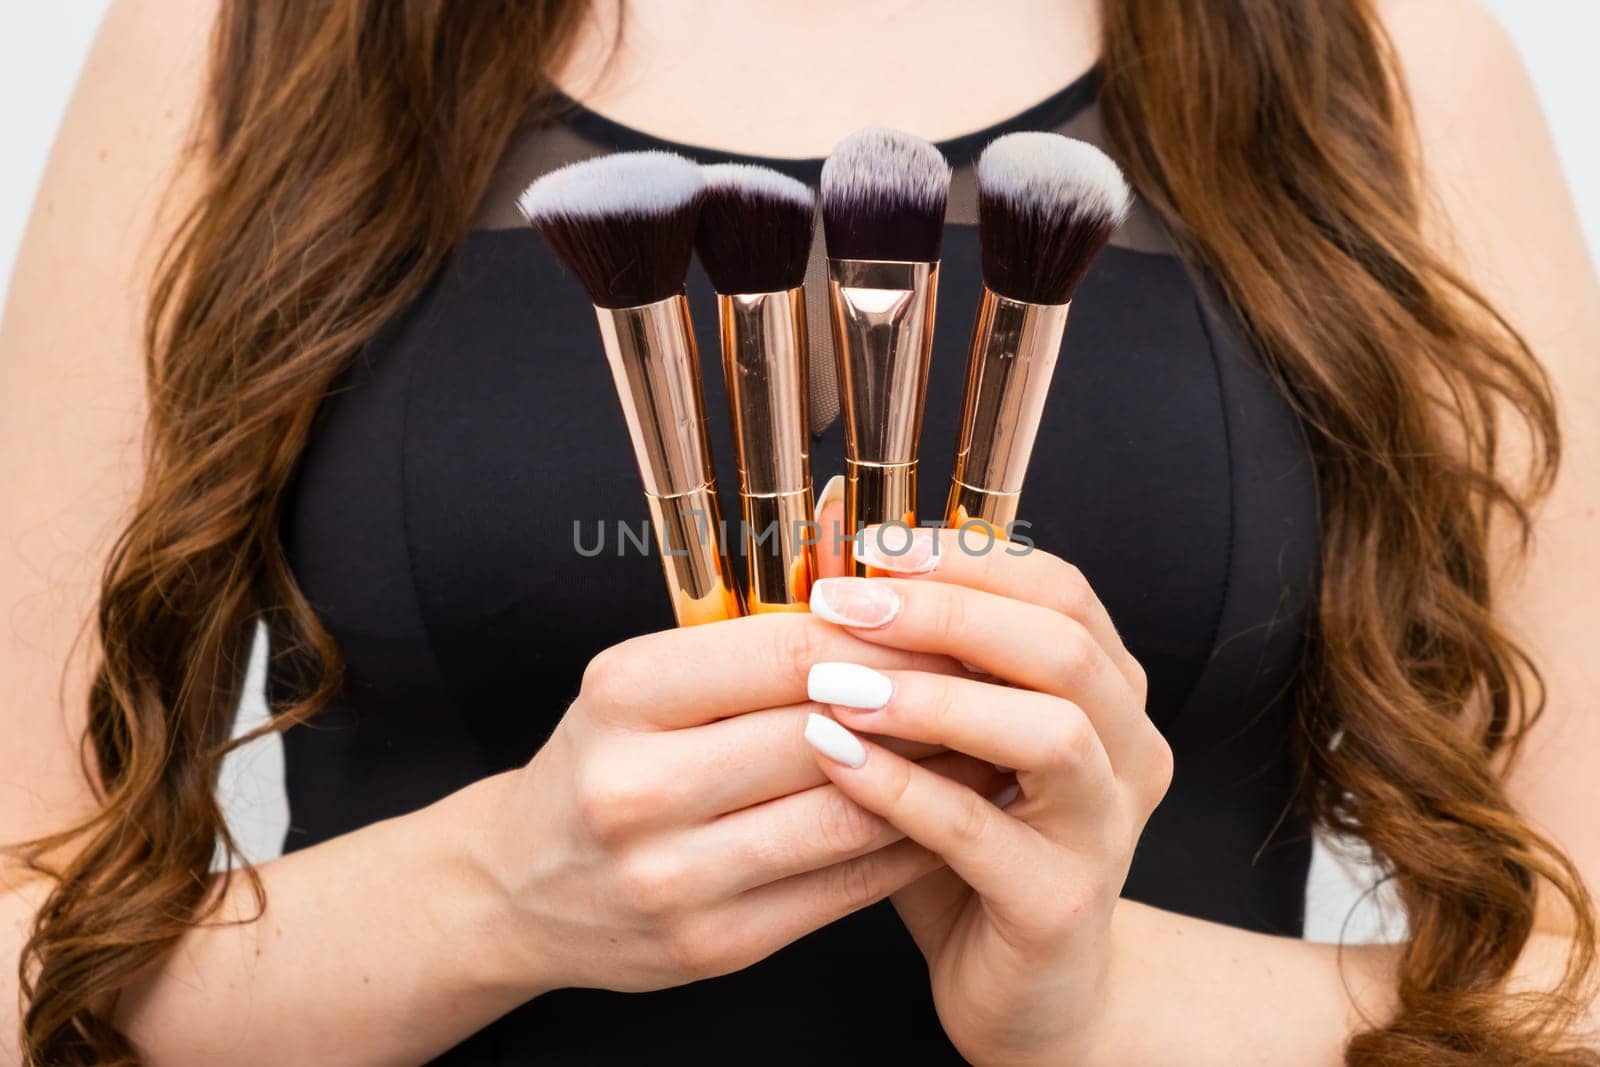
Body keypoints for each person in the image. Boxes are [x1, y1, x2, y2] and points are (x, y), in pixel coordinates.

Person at [3, 0, 1598, 1063]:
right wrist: (487, 896)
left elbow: (1571, 982)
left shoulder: (1377, 47)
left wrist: (1100, 1003)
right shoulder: (248, 37)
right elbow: (21, 946)